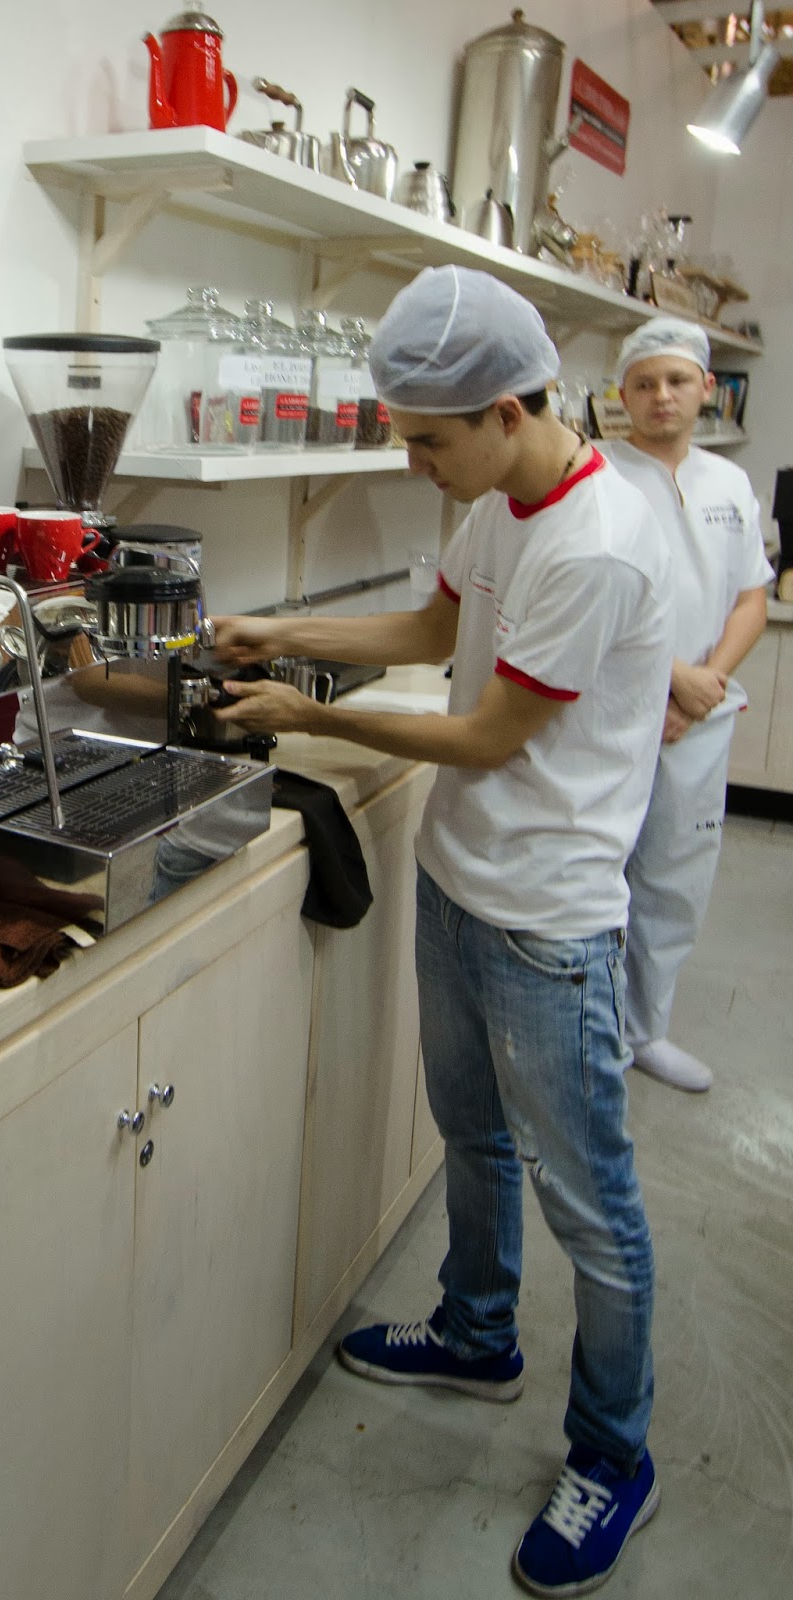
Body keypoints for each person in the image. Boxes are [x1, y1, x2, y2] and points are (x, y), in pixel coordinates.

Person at [210, 265, 674, 1598]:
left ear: (513, 406)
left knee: (591, 1205)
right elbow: (431, 627)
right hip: (465, 881)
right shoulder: (503, 497)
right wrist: (279, 633)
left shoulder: (595, 538)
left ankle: (614, 1452)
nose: (412, 460)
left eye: (428, 438)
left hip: (551, 926)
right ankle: (479, 1334)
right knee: (470, 1137)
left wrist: (303, 712)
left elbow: (485, 730)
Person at [601, 321, 772, 1093]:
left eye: (676, 381)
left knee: (675, 877)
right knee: (602, 873)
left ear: (708, 388)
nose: (660, 396)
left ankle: (645, 1029)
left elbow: (750, 598)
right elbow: (592, 598)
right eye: (644, 383)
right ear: (622, 394)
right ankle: (592, 1030)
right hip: (614, 709)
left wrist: (703, 687)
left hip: (699, 714)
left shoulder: (728, 481)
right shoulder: (597, 474)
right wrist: (669, 679)